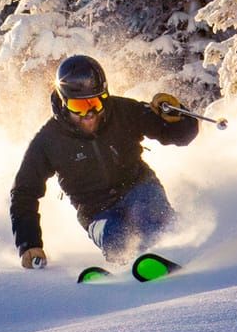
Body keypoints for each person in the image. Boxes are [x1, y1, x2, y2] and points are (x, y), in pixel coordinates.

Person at [10, 54, 198, 269]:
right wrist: (29, 243)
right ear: (63, 102)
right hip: (94, 210)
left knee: (151, 218)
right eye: (79, 107)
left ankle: (179, 252)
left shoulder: (124, 111)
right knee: (117, 238)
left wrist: (177, 116)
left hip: (138, 187)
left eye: (95, 103)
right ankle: (134, 267)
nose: (89, 114)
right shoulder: (48, 141)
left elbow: (182, 136)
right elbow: (24, 192)